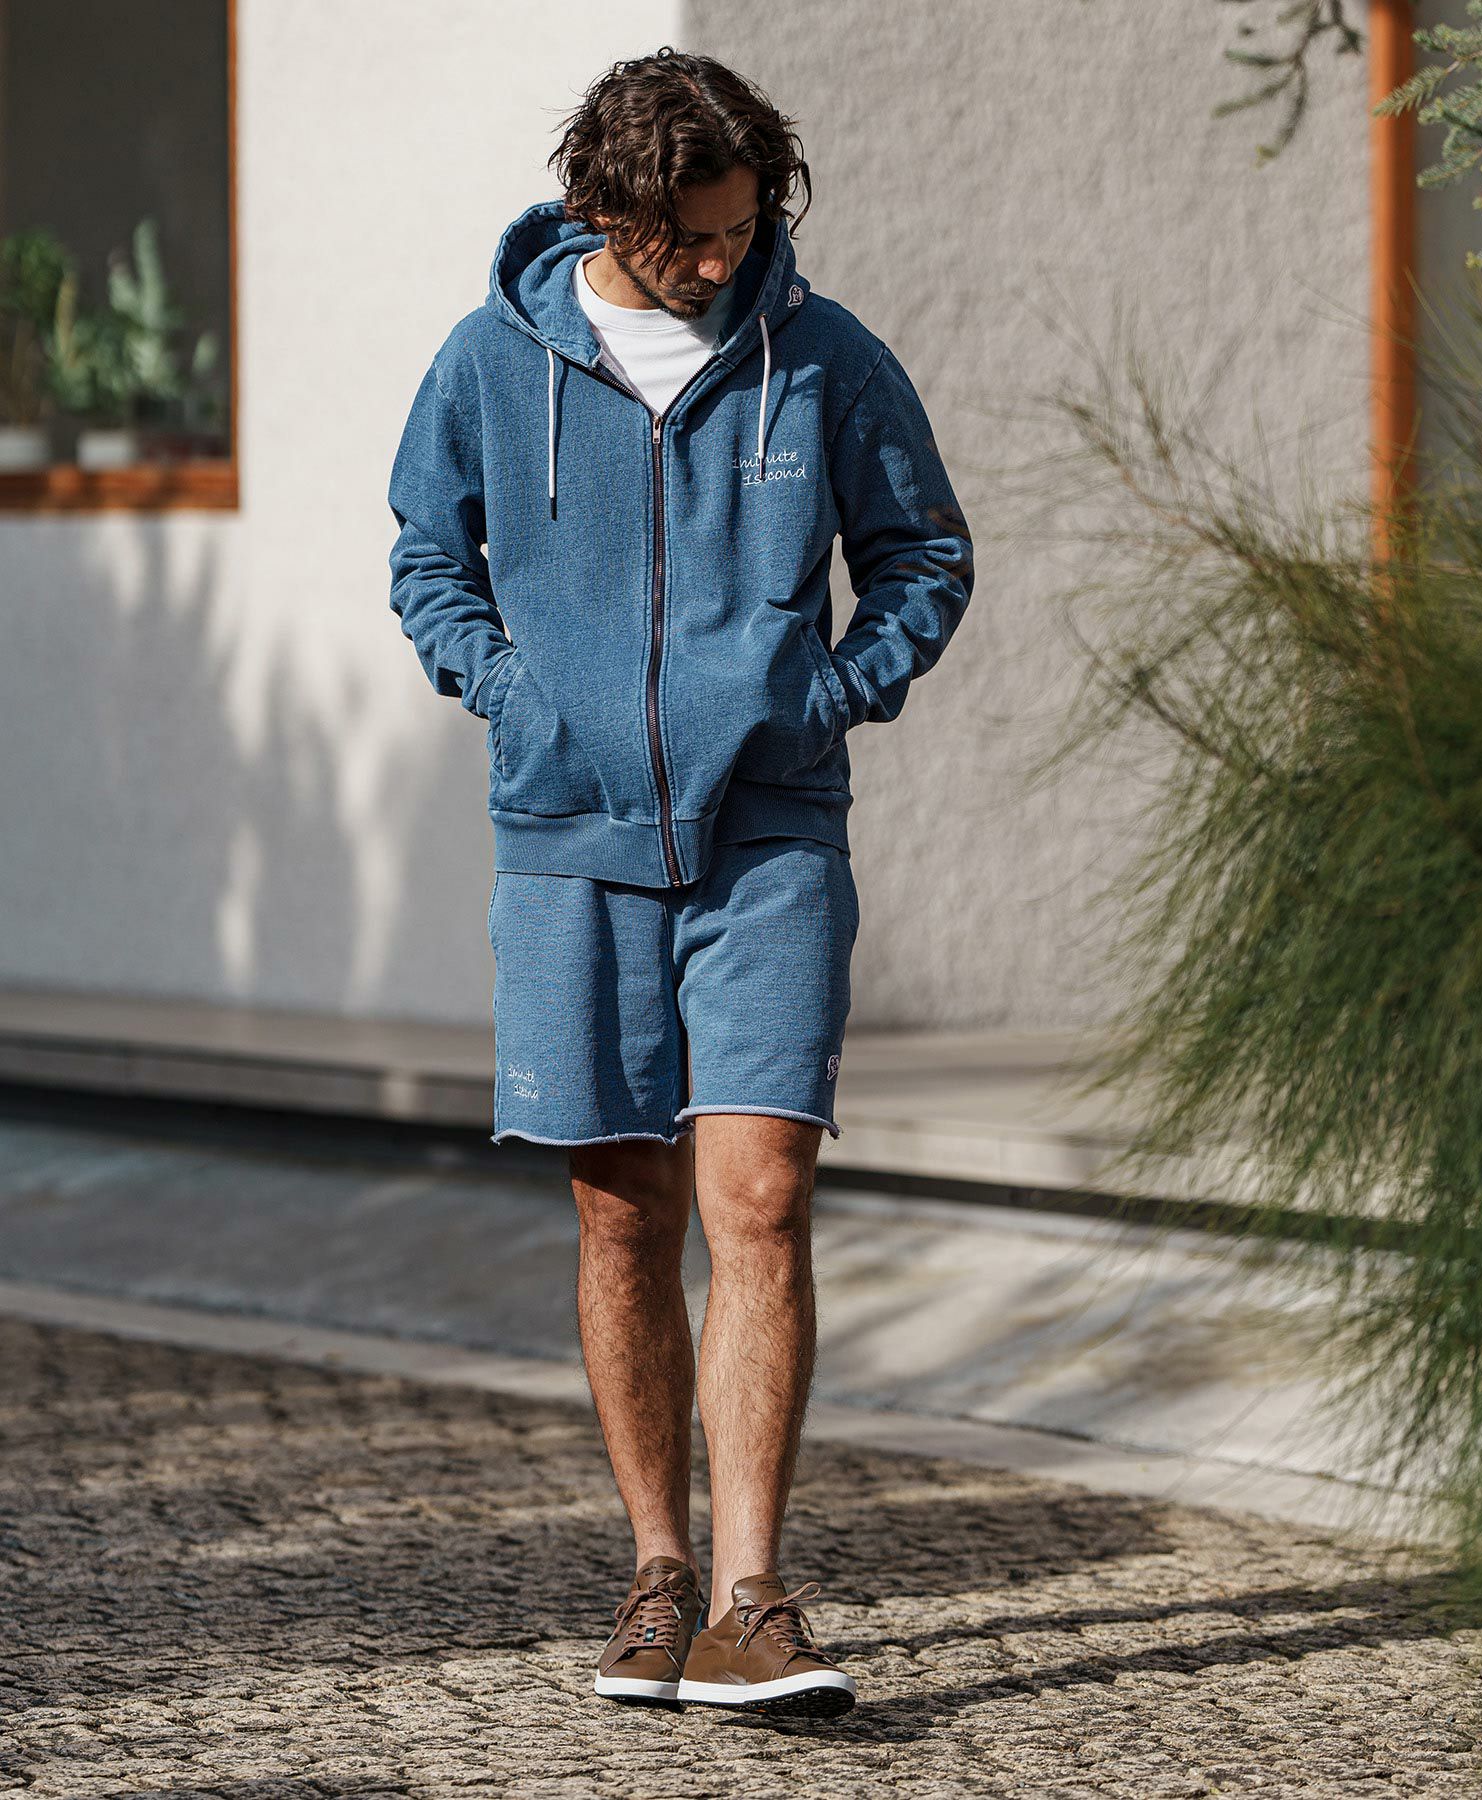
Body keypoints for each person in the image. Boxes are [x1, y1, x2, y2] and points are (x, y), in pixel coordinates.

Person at [386, 47, 975, 1718]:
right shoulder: (490, 361)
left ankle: (752, 1598)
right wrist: (517, 697)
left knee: (762, 1196)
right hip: (566, 839)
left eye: (740, 229)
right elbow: (430, 561)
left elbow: (925, 554)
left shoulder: (824, 356)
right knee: (621, 1207)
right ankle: (657, 1573)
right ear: (605, 209)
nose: (722, 261)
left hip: (770, 832)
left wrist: (824, 698)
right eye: (689, 238)